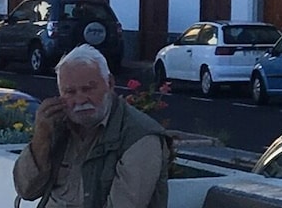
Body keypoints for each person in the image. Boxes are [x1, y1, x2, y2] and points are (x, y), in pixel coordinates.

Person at [14, 45, 170, 208]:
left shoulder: (140, 136)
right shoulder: (58, 124)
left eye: (88, 89)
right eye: (70, 92)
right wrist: (41, 137)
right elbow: (26, 190)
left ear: (110, 84)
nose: (80, 100)